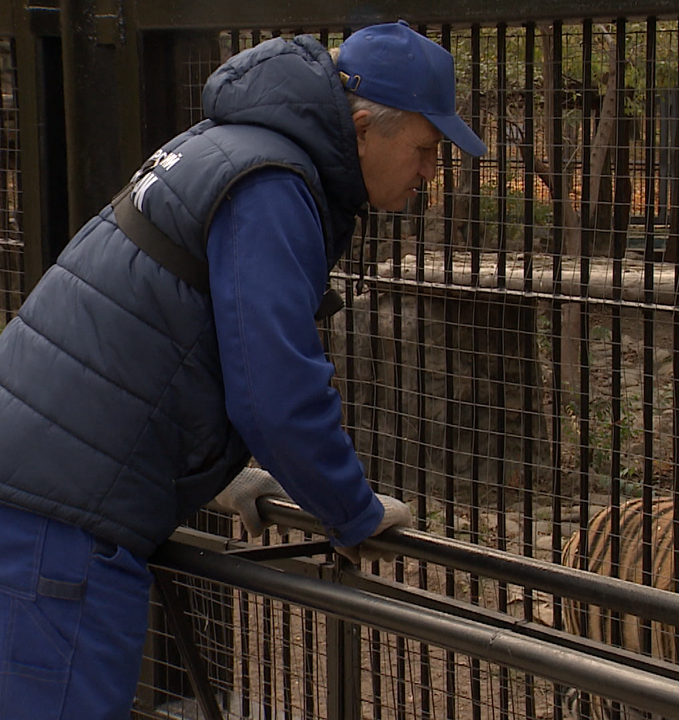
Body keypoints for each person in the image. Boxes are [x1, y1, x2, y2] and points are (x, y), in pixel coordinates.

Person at [0, 20, 485, 719]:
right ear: (361, 127)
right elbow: (278, 393)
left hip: (36, 489)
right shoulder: (272, 185)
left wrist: (219, 475)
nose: (430, 174)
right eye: (426, 148)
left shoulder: (221, 149)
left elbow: (163, 340)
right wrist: (353, 512)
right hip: (60, 528)